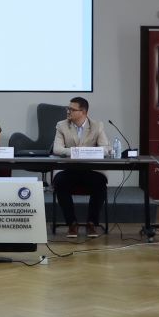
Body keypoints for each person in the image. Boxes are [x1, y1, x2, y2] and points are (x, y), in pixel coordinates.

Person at [51, 97, 112, 239]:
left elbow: (106, 149)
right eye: (68, 108)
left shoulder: (97, 126)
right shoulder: (62, 125)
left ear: (83, 112)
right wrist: (76, 152)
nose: (68, 111)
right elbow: (57, 149)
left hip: (91, 170)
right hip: (70, 169)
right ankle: (72, 223)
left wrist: (85, 152)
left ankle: (91, 223)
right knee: (59, 182)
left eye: (72, 109)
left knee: (100, 183)